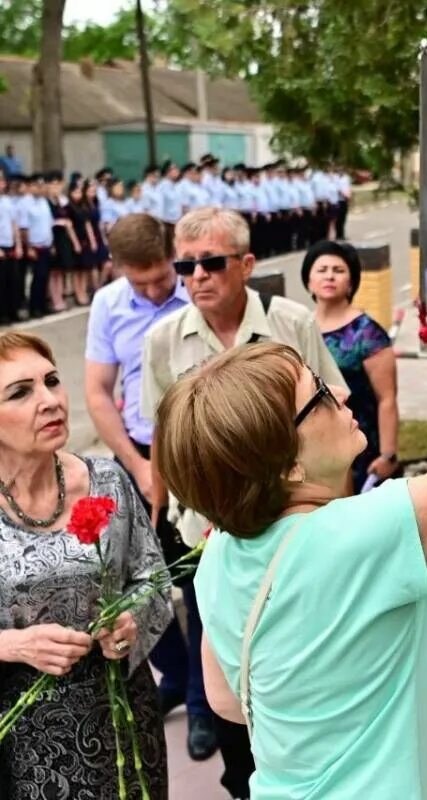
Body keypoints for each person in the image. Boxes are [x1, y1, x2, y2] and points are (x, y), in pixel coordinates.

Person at [152, 151, 427, 797]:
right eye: (319, 395)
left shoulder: (219, 556)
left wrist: (405, 657)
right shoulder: (363, 533)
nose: (344, 397)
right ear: (284, 461)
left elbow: (232, 703)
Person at [140, 206, 346, 799]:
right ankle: (218, 732)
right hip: (211, 529)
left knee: (297, 647)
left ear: (248, 264)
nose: (197, 276)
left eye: (211, 262)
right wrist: (161, 514)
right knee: (220, 640)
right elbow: (165, 440)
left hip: (296, 525)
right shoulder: (163, 340)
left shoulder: (292, 322)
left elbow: (333, 413)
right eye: (186, 265)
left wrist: (342, 514)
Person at [0, 330, 171, 797]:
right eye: (21, 392)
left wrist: (132, 620)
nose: (50, 400)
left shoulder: (107, 481)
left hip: (123, 721)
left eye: (52, 382)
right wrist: (14, 644)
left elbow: (152, 578)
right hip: (21, 740)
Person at [83, 213, 218, 763]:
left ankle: (207, 698)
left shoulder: (198, 291)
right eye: (141, 283)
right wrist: (138, 466)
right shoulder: (109, 304)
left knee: (204, 578)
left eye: (162, 278)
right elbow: (97, 391)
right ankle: (180, 675)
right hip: (140, 458)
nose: (156, 290)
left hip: (200, 456)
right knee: (139, 584)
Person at [302, 241, 398, 492]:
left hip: (359, 445)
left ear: (352, 282)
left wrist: (388, 455)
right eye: (321, 270)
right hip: (313, 446)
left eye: (338, 270)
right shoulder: (301, 327)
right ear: (309, 281)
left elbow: (387, 399)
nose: (329, 276)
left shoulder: (367, 333)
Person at [17, 174, 54, 318]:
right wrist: (29, 247)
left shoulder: (44, 201)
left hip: (46, 244)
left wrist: (51, 244)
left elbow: (48, 224)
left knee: (45, 277)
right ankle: (34, 307)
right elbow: (24, 228)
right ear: (31, 186)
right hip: (34, 246)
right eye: (38, 186)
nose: (41, 188)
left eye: (42, 185)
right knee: (36, 278)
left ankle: (42, 305)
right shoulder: (25, 204)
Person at [47, 172, 80, 313]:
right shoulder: (46, 203)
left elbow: (69, 223)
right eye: (53, 184)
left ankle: (60, 297)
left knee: (61, 270)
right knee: (53, 271)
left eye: (58, 184)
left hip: (64, 238)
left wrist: (75, 242)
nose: (56, 187)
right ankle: (54, 299)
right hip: (52, 237)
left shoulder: (63, 202)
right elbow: (48, 222)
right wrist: (58, 222)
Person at [67, 178, 99, 306]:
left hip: (85, 240)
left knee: (85, 268)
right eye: (75, 192)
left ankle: (84, 291)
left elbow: (87, 225)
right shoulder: (68, 208)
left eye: (80, 192)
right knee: (77, 269)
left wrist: (92, 241)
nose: (78, 195)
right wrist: (75, 243)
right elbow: (69, 227)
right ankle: (78, 292)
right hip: (75, 241)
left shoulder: (83, 207)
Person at [0, 173, 22, 325]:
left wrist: (18, 244)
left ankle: (12, 311)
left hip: (11, 245)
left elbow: (14, 224)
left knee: (12, 281)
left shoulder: (8, 201)